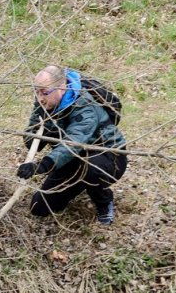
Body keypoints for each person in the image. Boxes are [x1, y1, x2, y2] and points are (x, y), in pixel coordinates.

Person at [16, 65, 127, 225]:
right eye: (36, 92)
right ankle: (79, 183)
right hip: (73, 159)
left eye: (44, 92)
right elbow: (31, 142)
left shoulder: (85, 107)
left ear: (62, 87)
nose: (40, 98)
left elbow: (72, 144)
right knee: (39, 207)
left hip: (109, 157)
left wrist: (42, 166)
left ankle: (104, 201)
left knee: (91, 170)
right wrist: (44, 125)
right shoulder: (44, 103)